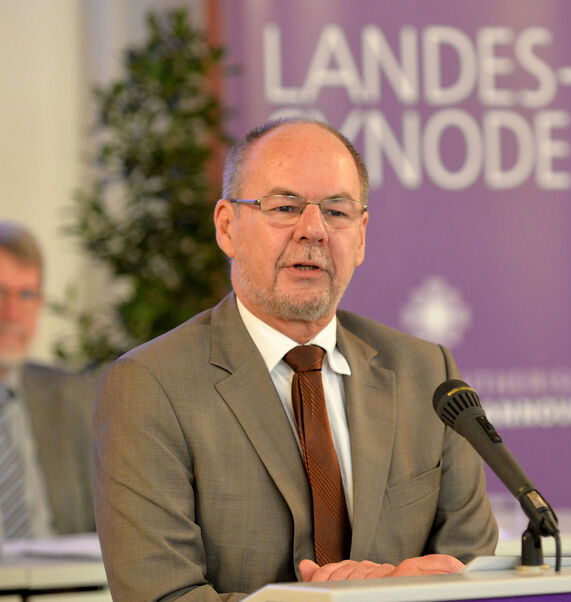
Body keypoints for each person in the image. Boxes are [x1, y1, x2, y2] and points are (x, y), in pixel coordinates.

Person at [93, 118, 497, 600]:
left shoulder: (426, 373)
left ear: (361, 236)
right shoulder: (151, 385)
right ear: (227, 227)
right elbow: (161, 596)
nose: (313, 230)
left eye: (337, 212)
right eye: (284, 207)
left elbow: (472, 569)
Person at [0, 221, 96, 537]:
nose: (12, 312)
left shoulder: (73, 395)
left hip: (64, 569)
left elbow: (106, 524)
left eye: (26, 295)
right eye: (0, 292)